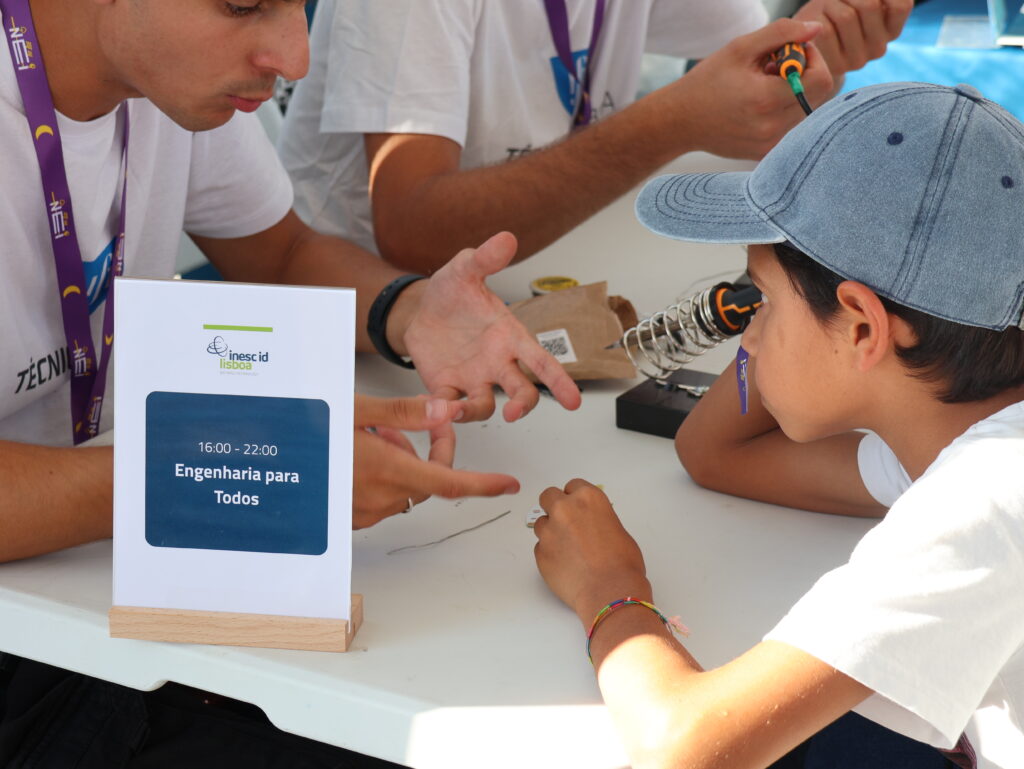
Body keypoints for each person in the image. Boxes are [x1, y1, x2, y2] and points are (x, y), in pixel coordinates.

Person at [532, 81, 1024, 768]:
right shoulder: (958, 422)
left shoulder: (989, 494)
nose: (748, 335)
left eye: (759, 299)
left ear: (863, 327)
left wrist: (608, 586)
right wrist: (794, 311)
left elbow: (682, 750)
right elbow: (714, 453)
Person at [0, 0, 585, 565]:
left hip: (98, 542)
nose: (294, 62)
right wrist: (216, 475)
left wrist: (409, 311)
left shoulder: (164, 78)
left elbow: (281, 253)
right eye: (242, 6)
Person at [277, 0, 912, 272]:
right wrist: (670, 122)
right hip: (358, 322)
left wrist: (824, 36)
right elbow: (413, 229)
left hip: (528, 280)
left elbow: (769, 63)